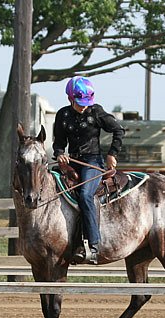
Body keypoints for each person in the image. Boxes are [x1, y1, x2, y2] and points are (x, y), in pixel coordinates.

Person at [53, 75, 125, 264]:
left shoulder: (96, 112)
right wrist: (60, 153)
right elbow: (59, 142)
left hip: (92, 163)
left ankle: (93, 245)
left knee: (85, 195)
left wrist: (112, 154)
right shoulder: (62, 115)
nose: (83, 106)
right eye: (79, 102)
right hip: (71, 163)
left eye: (86, 102)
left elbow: (118, 130)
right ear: (70, 99)